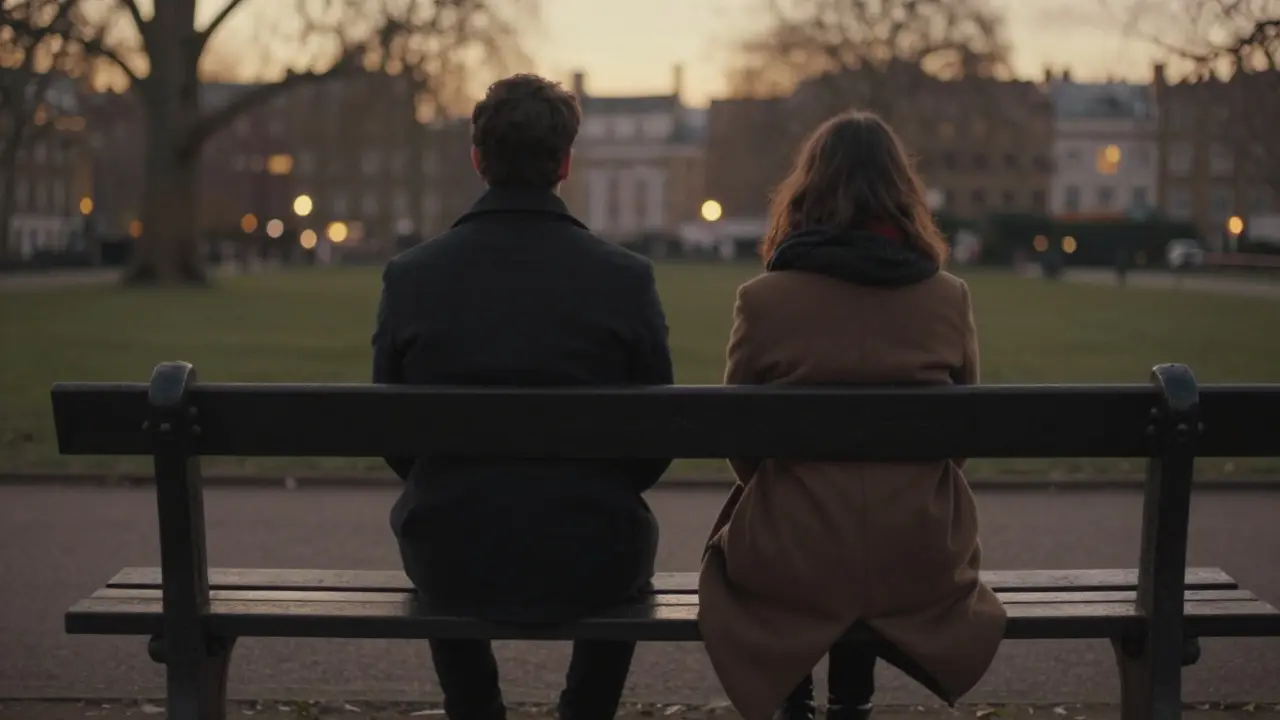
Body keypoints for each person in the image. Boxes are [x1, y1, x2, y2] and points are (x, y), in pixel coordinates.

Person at [372, 73, 674, 720]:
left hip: (451, 550)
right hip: (595, 551)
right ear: (565, 162)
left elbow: (395, 437)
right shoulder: (625, 278)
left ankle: (474, 704)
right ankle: (585, 710)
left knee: (445, 530)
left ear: (477, 158)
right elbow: (655, 441)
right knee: (622, 541)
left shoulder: (412, 277)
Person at [697, 110, 1007, 720]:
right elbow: (960, 434)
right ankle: (852, 704)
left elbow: (741, 441)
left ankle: (792, 700)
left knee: (788, 533)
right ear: (902, 194)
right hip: (919, 552)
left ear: (807, 189)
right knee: (863, 542)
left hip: (794, 552)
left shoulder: (764, 300)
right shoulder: (948, 297)